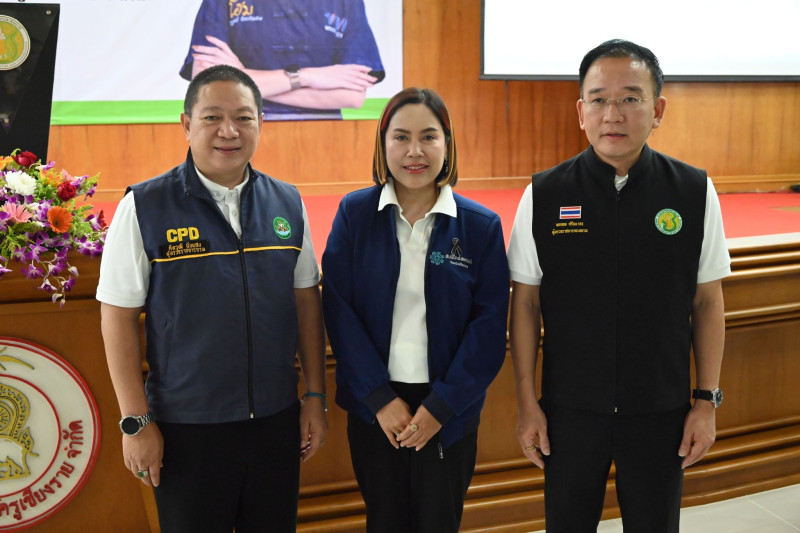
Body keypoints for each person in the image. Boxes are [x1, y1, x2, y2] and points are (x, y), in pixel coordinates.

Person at [508, 39, 731, 532]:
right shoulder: (544, 194)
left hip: (661, 411)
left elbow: (707, 301)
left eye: (631, 98)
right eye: (599, 99)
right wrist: (527, 403)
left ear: (658, 110)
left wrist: (705, 402)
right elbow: (524, 304)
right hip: (568, 412)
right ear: (581, 112)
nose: (613, 114)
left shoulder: (693, 191)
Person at [97, 64, 328, 533]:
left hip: (275, 422)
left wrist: (315, 397)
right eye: (212, 117)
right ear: (186, 124)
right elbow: (117, 316)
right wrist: (136, 422)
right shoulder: (144, 206)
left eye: (243, 117)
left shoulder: (287, 202)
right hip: (187, 429)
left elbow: (306, 301)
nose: (229, 131)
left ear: (261, 122)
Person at [321, 87, 510, 532]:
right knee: (384, 521)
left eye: (428, 137)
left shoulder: (480, 226)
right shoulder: (355, 214)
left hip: (448, 411)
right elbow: (340, 312)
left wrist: (441, 408)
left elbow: (487, 329)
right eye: (401, 137)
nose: (414, 151)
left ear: (447, 143)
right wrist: (379, 400)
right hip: (375, 409)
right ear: (383, 143)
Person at [180, 0, 385, 120]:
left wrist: (242, 80)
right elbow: (207, 84)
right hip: (242, 132)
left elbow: (353, 96)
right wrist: (306, 77)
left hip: (323, 138)